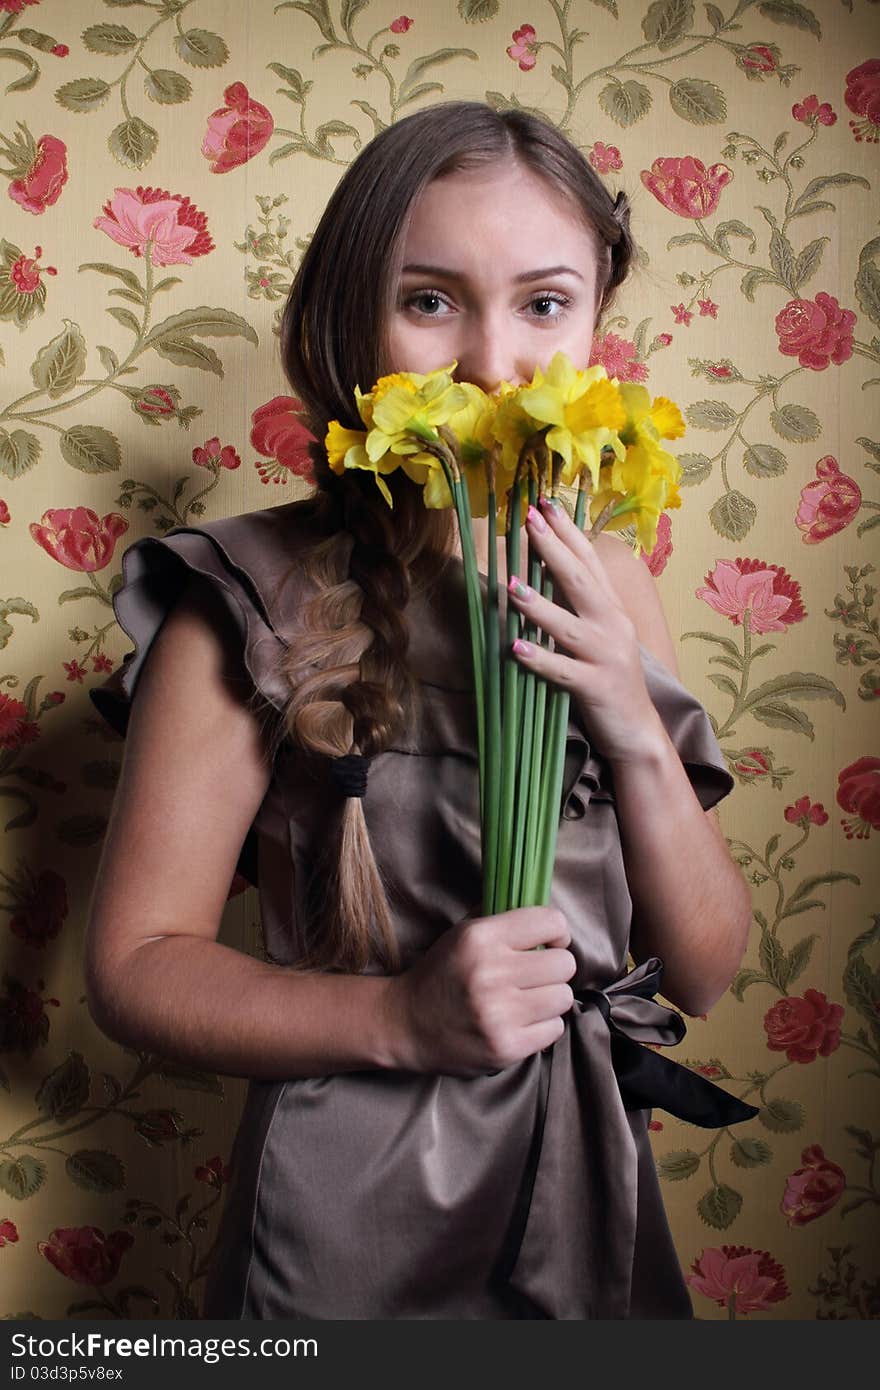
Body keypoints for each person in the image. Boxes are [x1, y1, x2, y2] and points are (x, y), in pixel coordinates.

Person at [86, 100, 754, 1321]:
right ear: (349, 321)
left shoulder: (610, 582)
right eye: (430, 300)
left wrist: (629, 717)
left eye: (544, 304)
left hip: (588, 1192)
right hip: (353, 1216)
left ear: (594, 325)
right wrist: (398, 1015)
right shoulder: (245, 599)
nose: (496, 365)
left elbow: (705, 972)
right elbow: (133, 968)